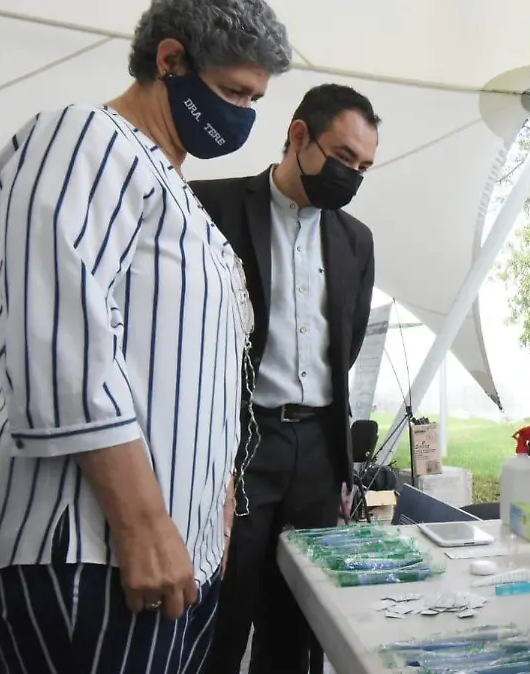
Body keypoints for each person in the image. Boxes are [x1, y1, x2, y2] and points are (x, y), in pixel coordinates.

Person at [0, 1, 292, 671]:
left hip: (172, 557)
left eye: (255, 99)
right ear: (171, 61)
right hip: (87, 550)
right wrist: (142, 522)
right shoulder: (87, 139)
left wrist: (215, 498)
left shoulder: (180, 196)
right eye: (232, 93)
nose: (244, 114)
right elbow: (58, 337)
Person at [190, 83, 378, 674]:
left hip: (318, 452)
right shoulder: (210, 206)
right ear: (299, 136)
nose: (351, 175)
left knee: (297, 623)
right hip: (239, 444)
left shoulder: (356, 240)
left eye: (363, 167)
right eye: (343, 157)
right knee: (222, 610)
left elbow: (345, 343)